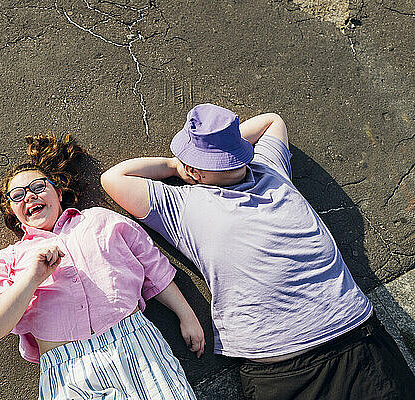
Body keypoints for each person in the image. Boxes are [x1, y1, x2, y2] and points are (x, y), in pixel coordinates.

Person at [101, 103, 415, 400]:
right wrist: (228, 148)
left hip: (281, 368)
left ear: (193, 170)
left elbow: (114, 178)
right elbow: (270, 121)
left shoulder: (183, 206)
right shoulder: (271, 170)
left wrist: (174, 166)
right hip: (357, 343)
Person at [0, 134, 204, 400]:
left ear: (58, 191)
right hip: (68, 371)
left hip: (137, 347)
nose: (29, 196)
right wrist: (30, 280)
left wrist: (187, 315)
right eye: (17, 195)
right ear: (12, 211)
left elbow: (153, 267)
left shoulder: (99, 220)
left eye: (38, 186)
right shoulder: (6, 261)